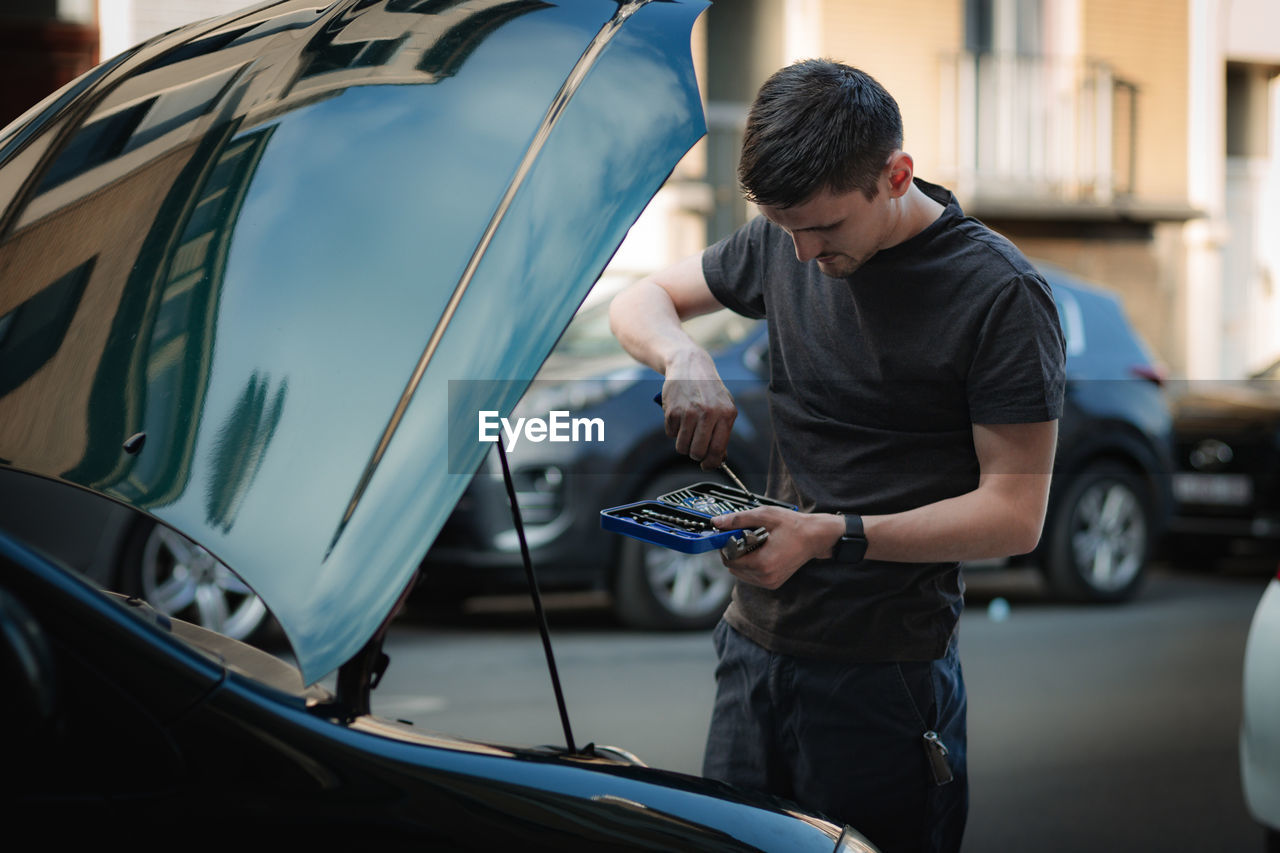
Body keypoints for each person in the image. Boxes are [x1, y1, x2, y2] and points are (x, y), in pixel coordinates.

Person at [608, 59, 1065, 853]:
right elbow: (637, 299)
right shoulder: (785, 240)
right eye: (786, 229)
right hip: (751, 652)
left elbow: (1014, 515)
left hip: (884, 677)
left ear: (896, 175)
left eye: (823, 229)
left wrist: (827, 534)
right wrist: (682, 356)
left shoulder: (999, 295)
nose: (802, 254)